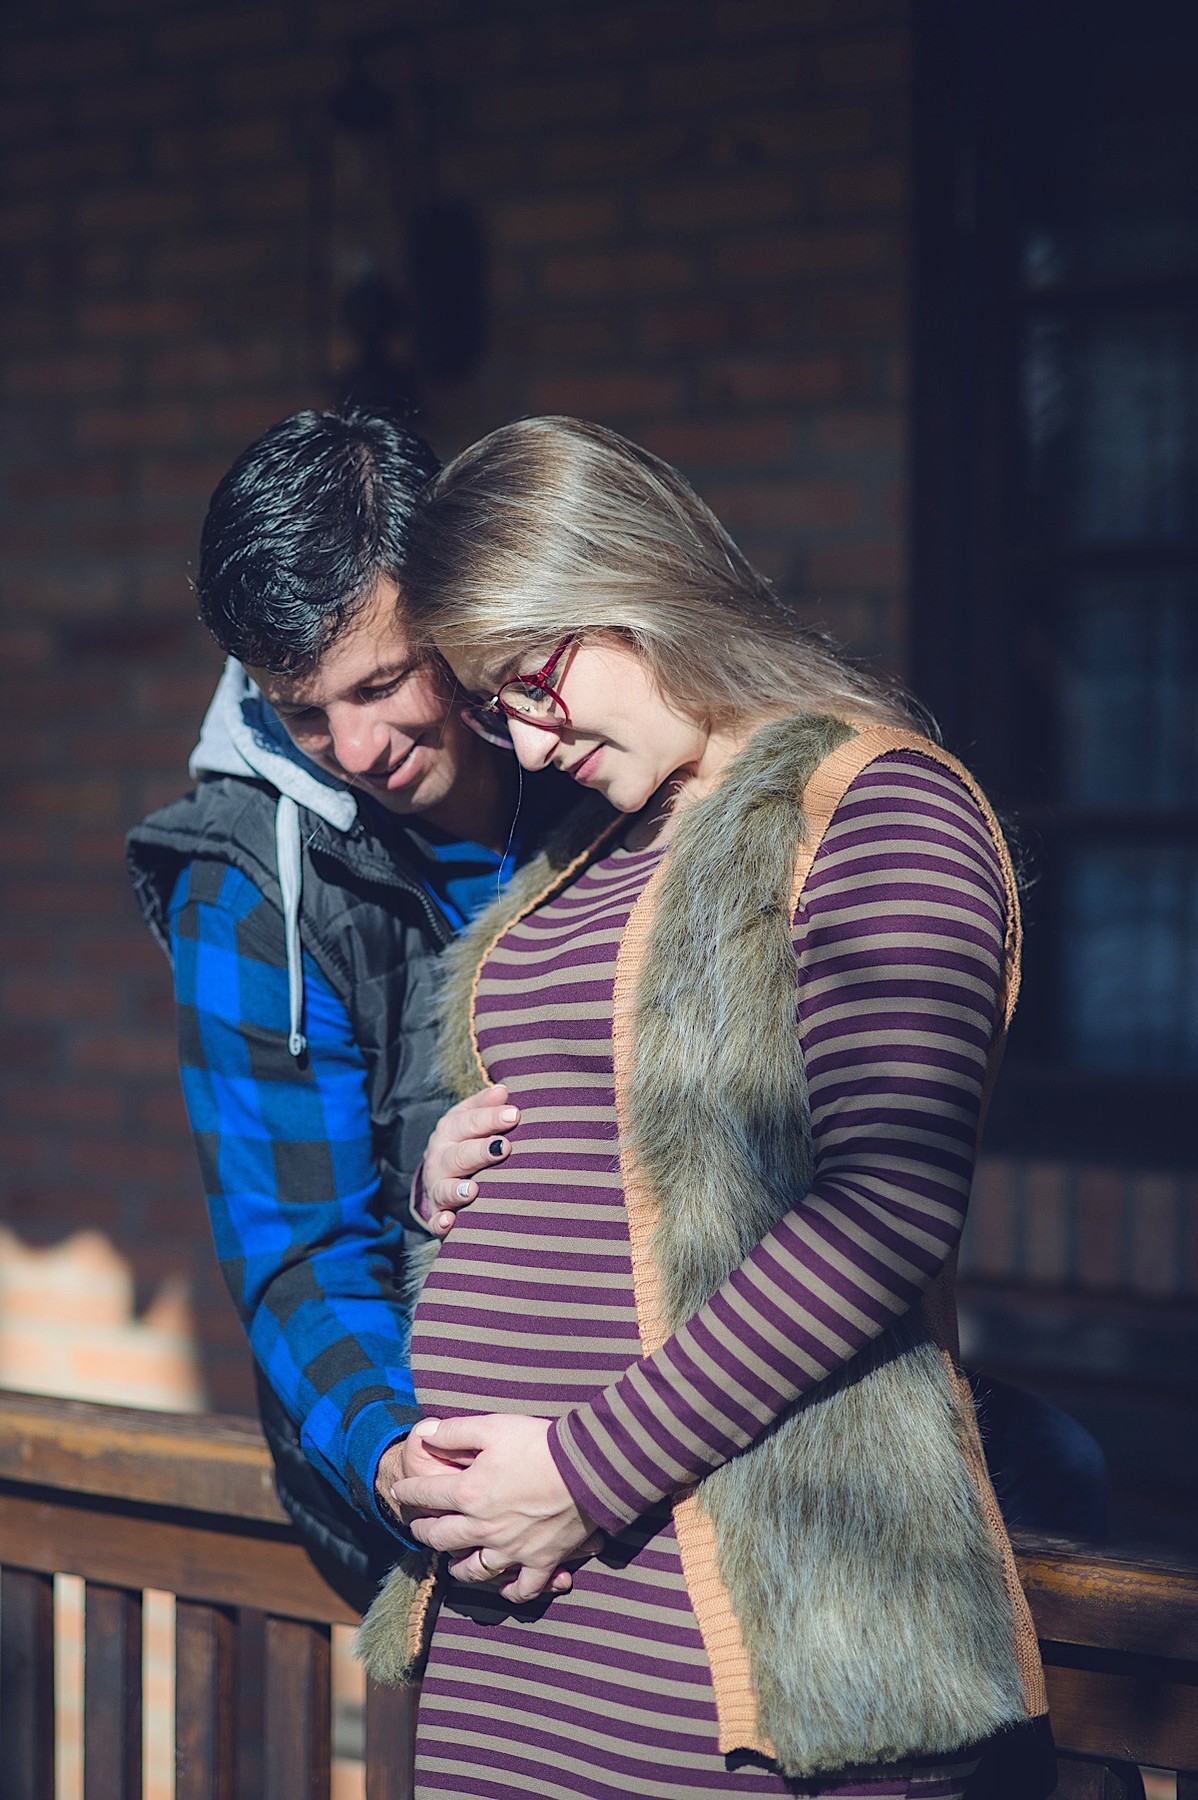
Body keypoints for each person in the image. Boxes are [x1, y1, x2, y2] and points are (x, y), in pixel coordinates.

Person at [359, 416, 1057, 1798]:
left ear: (631, 586)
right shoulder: (592, 841)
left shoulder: (871, 809)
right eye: (494, 705)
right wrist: (445, 1173)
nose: (529, 737)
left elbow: (887, 1207)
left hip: (710, 1661)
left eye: (536, 680)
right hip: (513, 1649)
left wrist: (583, 1469)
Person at [126, 406, 570, 1609]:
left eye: (381, 683)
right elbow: (296, 1246)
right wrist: (396, 1457)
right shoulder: (243, 884)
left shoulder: (599, 754)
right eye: (304, 711)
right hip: (440, 1462)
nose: (356, 747)